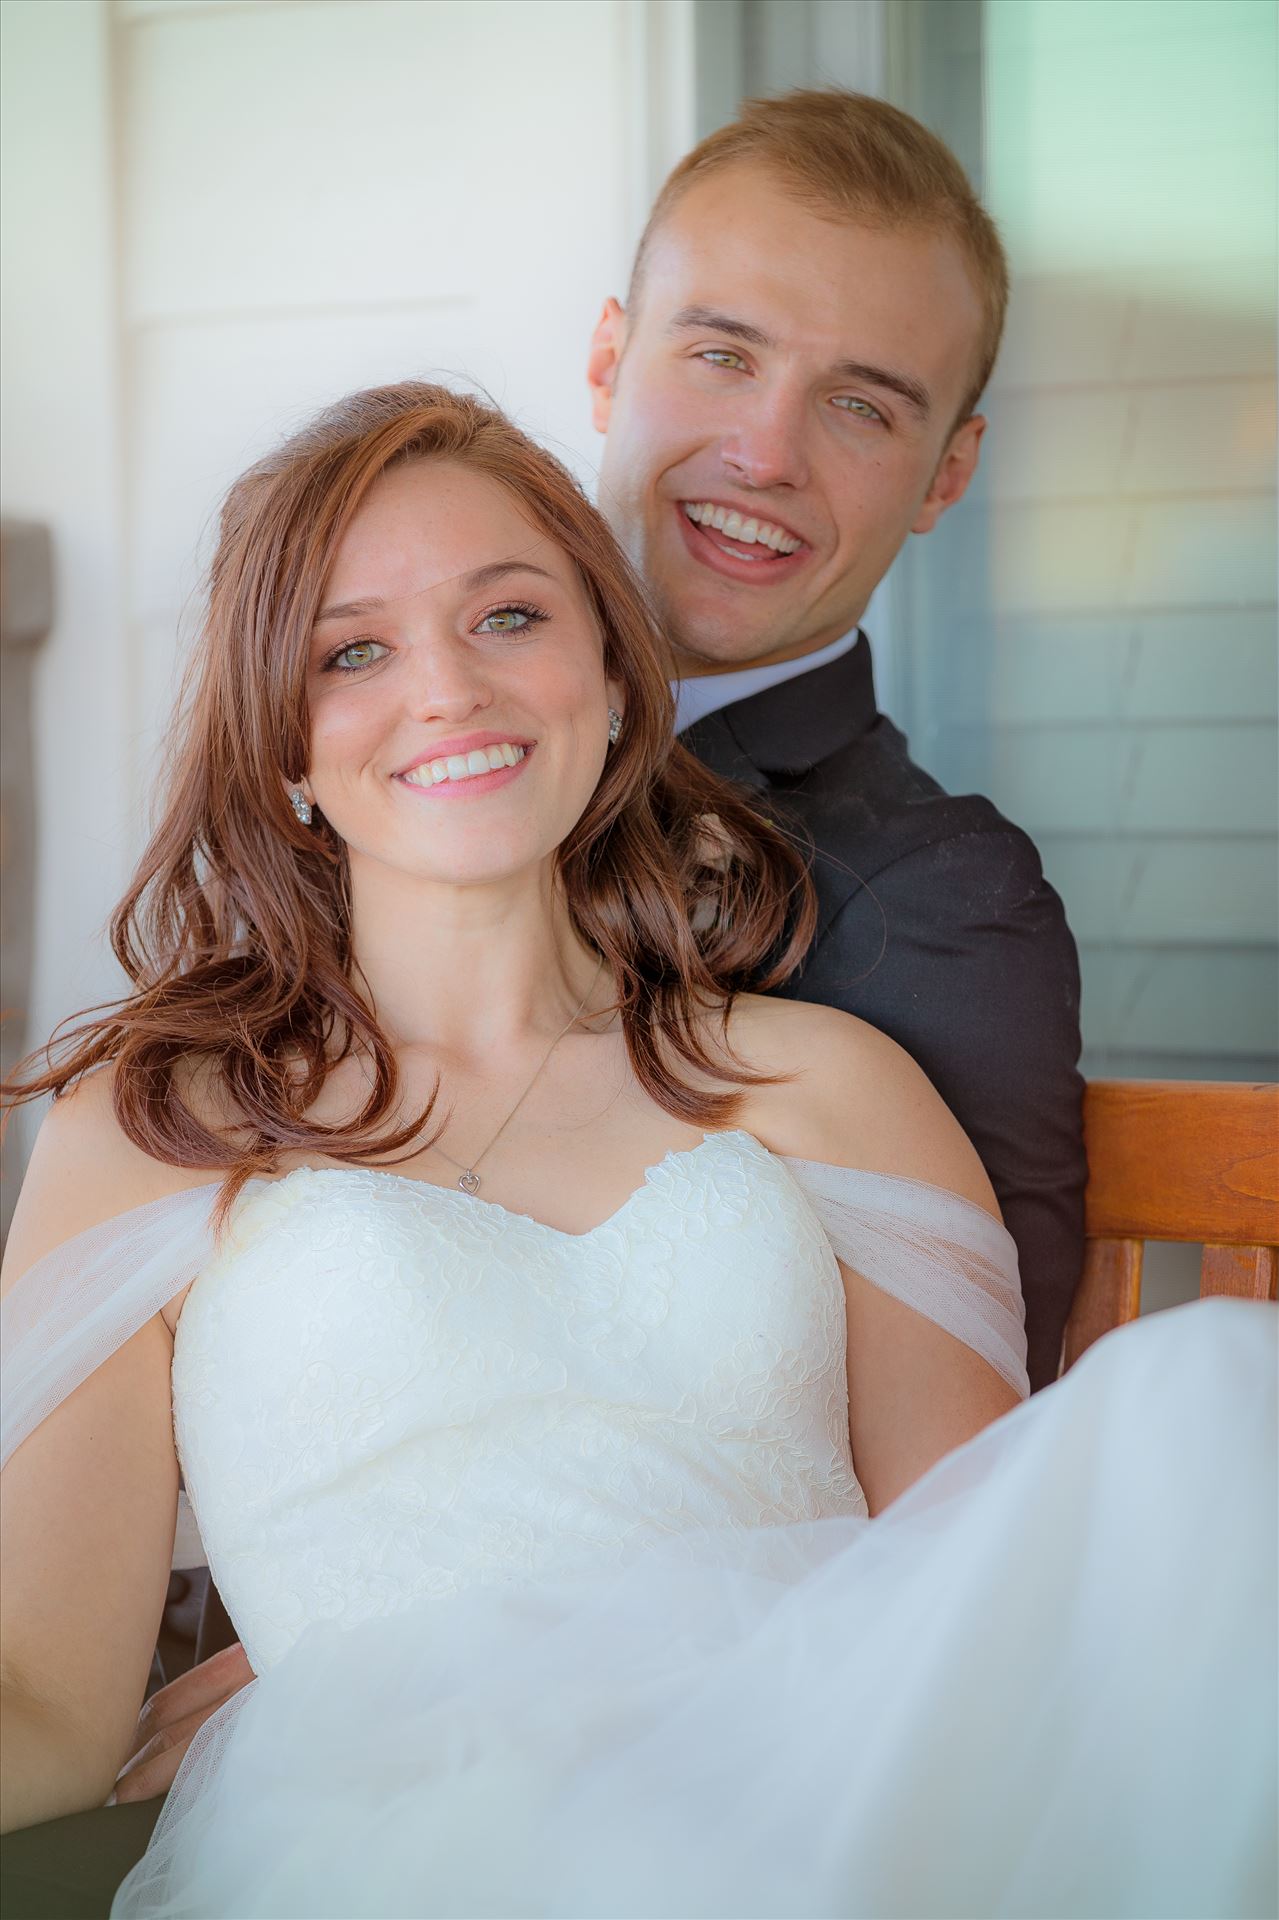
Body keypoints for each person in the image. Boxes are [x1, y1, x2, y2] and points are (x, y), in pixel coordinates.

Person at [1, 384, 1274, 1920]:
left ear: (610, 675)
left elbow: (977, 1581)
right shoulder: (159, 1125)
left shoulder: (828, 1088)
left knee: (1219, 1392)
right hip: (402, 1837)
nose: (449, 691)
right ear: (284, 744)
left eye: (510, 617)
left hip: (819, 1792)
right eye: (355, 651)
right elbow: (46, 1702)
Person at [595, 90, 1086, 1397]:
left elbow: (975, 1473)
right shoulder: (392, 753)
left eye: (860, 406)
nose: (764, 453)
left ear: (945, 477)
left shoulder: (938, 902)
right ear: (607, 361)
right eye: (721, 356)